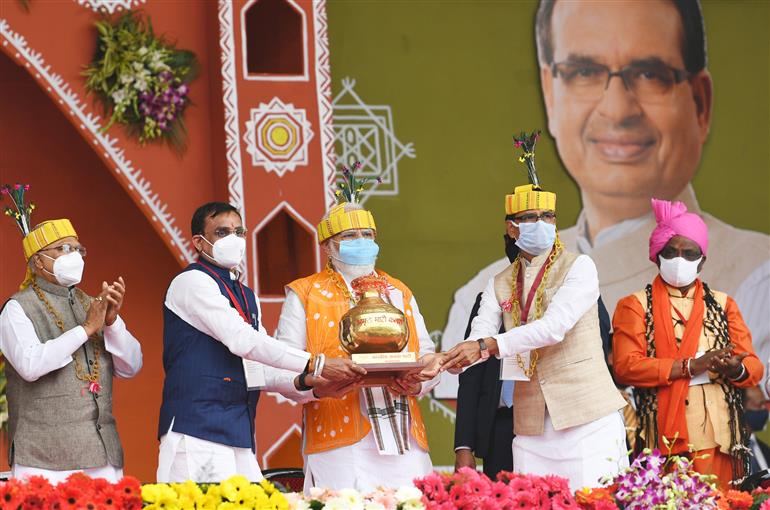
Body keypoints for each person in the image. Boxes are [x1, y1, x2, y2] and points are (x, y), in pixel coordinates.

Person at [441, 0, 769, 394]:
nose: (617, 109)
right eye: (584, 72)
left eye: (650, 73)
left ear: (700, 102)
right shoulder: (487, 290)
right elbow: (470, 403)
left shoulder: (757, 275)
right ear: (550, 93)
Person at [442, 144, 628, 491]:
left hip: (585, 415)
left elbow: (554, 328)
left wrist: (487, 344)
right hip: (529, 424)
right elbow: (478, 335)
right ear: (512, 229)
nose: (541, 224)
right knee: (533, 500)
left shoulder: (580, 267)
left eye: (548, 217)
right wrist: (446, 358)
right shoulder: (499, 282)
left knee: (595, 500)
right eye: (529, 218)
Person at [156, 202, 364, 483]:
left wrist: (311, 384)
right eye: (222, 232)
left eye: (238, 231)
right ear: (198, 242)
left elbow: (258, 367)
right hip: (195, 431)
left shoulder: (245, 294)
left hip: (239, 431)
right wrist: (318, 363)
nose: (233, 239)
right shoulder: (191, 282)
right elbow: (242, 340)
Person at [264, 167, 441, 493]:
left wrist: (420, 379)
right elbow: (278, 369)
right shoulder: (305, 293)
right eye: (349, 237)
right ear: (328, 247)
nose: (361, 242)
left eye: (368, 236)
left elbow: (428, 356)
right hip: (339, 444)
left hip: (404, 435)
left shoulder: (398, 291)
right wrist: (318, 382)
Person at [612, 198, 763, 489]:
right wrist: (691, 366)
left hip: (720, 436)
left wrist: (736, 369)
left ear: (702, 260)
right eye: (671, 252)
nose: (680, 260)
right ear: (657, 256)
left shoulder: (723, 304)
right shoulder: (634, 305)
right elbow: (626, 367)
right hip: (664, 435)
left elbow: (753, 367)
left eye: (689, 253)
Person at [0, 184, 142, 482]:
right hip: (44, 460)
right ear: (37, 260)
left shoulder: (92, 303)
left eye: (78, 249)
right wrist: (87, 329)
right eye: (63, 248)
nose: (74, 255)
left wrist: (112, 322)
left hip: (103, 455)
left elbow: (132, 367)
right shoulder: (17, 308)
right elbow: (29, 365)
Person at [743, 386, 770, 476]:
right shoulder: (728, 451)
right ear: (741, 408)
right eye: (759, 405)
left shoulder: (766, 449)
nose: (764, 410)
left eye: (764, 405)